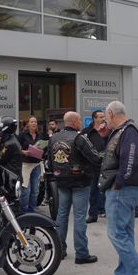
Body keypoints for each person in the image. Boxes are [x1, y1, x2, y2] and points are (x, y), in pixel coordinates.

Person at [98, 101, 138, 275]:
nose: (104, 120)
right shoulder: (124, 131)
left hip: (122, 190)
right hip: (125, 189)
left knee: (116, 234)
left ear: (111, 114)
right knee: (125, 235)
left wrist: (118, 183)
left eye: (105, 116)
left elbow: (129, 160)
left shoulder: (128, 131)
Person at [47, 111, 101, 265]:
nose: (81, 123)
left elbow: (49, 161)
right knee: (79, 217)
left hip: (62, 181)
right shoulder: (79, 138)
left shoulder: (54, 138)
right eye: (79, 120)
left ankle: (59, 250)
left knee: (62, 215)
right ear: (75, 121)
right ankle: (81, 253)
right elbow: (95, 157)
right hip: (80, 181)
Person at [81, 110, 109, 223]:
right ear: (94, 118)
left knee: (106, 189)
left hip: (106, 164)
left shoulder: (108, 130)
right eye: (101, 117)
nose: (103, 119)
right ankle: (93, 214)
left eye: (104, 117)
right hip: (92, 165)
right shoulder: (87, 131)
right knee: (93, 191)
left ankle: (105, 210)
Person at [18, 116, 45, 213]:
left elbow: (44, 148)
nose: (34, 123)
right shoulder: (22, 135)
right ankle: (23, 211)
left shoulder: (40, 135)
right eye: (32, 122)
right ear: (28, 124)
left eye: (35, 122)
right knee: (25, 190)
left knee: (35, 190)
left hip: (36, 164)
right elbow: (16, 148)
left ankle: (32, 211)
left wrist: (42, 150)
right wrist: (24, 152)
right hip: (25, 164)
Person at [0, 116, 23, 181]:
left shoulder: (9, 144)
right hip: (13, 176)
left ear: (5, 128)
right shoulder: (12, 137)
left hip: (11, 178)